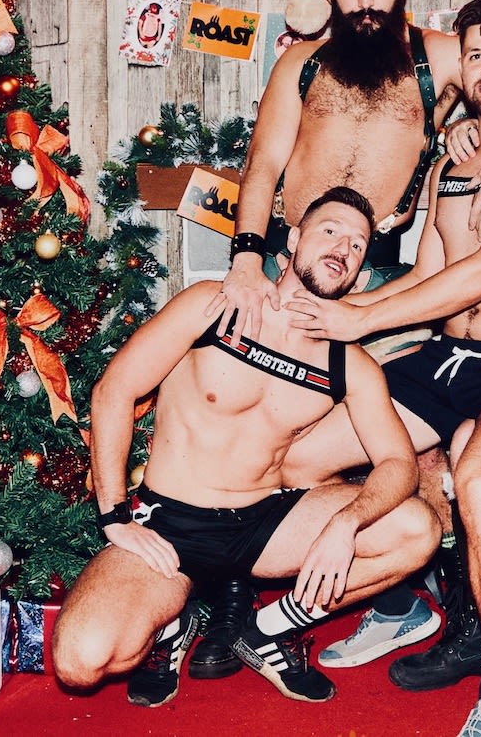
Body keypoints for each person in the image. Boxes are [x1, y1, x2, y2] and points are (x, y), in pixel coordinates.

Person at [192, 0, 481, 681]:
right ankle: (234, 598)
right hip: (291, 272)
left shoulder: (438, 59)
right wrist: (244, 262)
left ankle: (443, 606)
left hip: (390, 282)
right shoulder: (300, 64)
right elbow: (261, 168)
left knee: (403, 440)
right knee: (267, 432)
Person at [281, 0, 481, 737]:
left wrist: (357, 317)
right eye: (477, 54)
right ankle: (396, 599)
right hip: (448, 355)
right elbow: (430, 277)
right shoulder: (452, 163)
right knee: (304, 457)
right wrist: (361, 337)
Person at [52, 188, 439, 708]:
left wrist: (346, 523)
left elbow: (397, 463)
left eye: (357, 243)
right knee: (82, 661)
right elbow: (113, 392)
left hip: (263, 524)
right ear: (295, 240)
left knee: (417, 529)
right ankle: (173, 628)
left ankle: (265, 628)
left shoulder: (350, 364)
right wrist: (115, 516)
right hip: (171, 523)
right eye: (330, 231)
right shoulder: (213, 305)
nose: (343, 248)